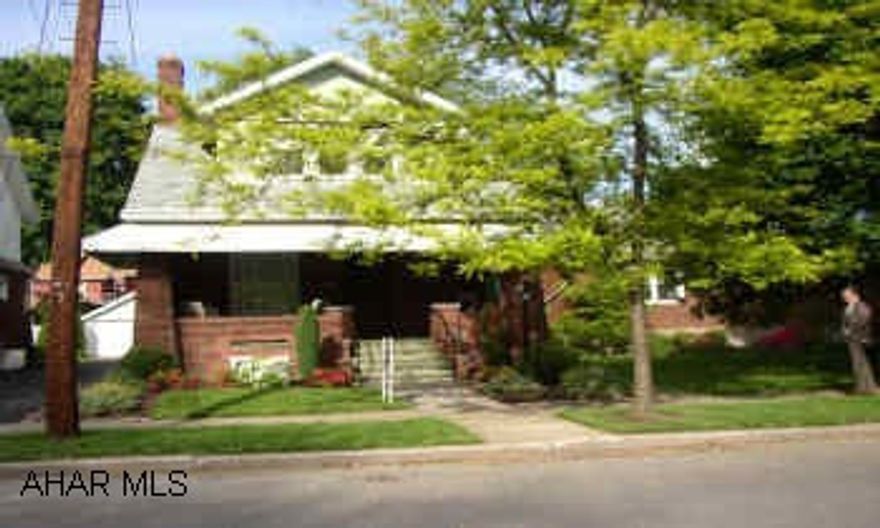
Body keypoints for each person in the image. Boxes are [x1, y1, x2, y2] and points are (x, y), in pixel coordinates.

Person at [841, 286, 877, 394]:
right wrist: (844, 330)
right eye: (844, 296)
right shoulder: (848, 307)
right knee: (857, 363)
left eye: (847, 295)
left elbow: (864, 319)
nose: (845, 298)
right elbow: (845, 322)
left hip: (861, 338)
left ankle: (865, 388)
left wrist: (850, 330)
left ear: (855, 295)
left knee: (862, 363)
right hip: (852, 339)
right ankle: (863, 387)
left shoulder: (862, 306)